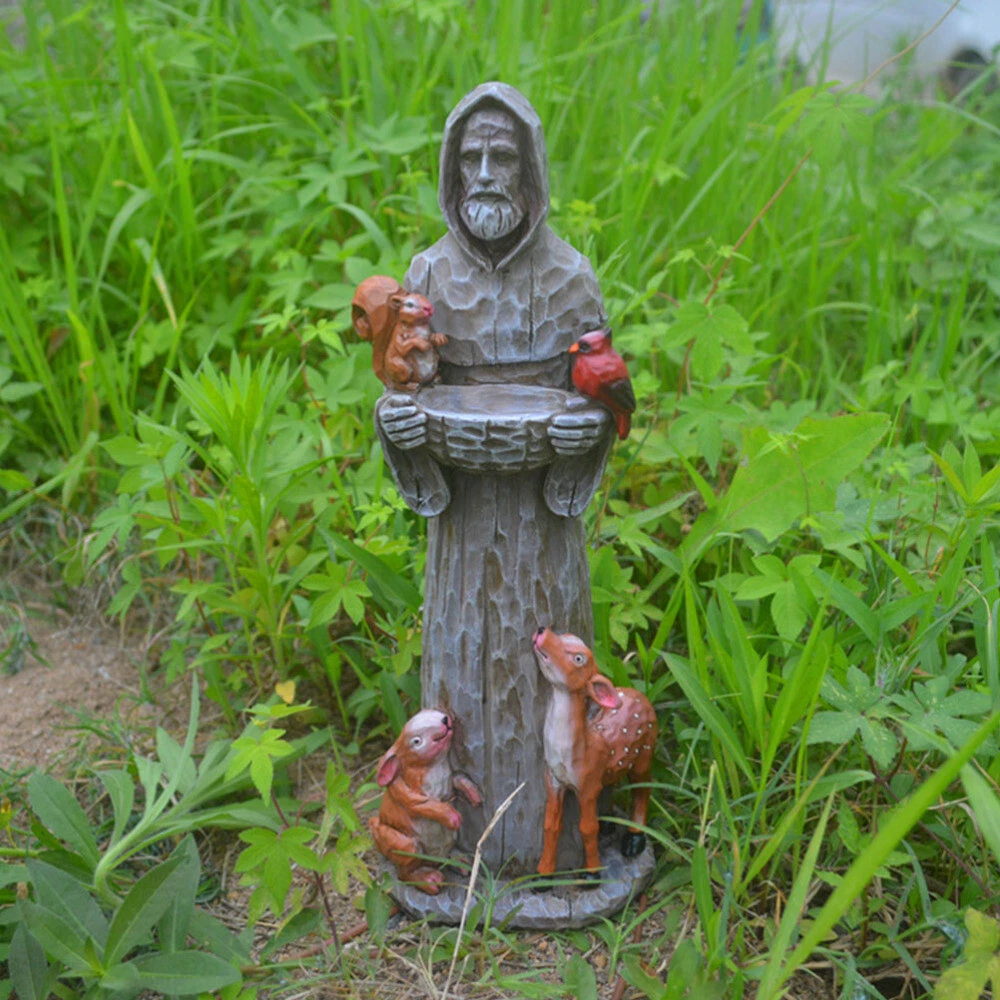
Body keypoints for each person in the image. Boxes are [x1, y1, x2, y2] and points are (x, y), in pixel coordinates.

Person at [375, 82, 615, 872]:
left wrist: (586, 438)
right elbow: (403, 387)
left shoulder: (571, 276)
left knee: (547, 669)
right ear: (451, 168)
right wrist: (401, 432)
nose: (483, 173)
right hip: (464, 525)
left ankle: (559, 847)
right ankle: (454, 840)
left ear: (530, 168)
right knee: (463, 685)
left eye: (501, 156)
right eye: (469, 156)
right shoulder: (428, 271)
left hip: (542, 528)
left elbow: (603, 398)